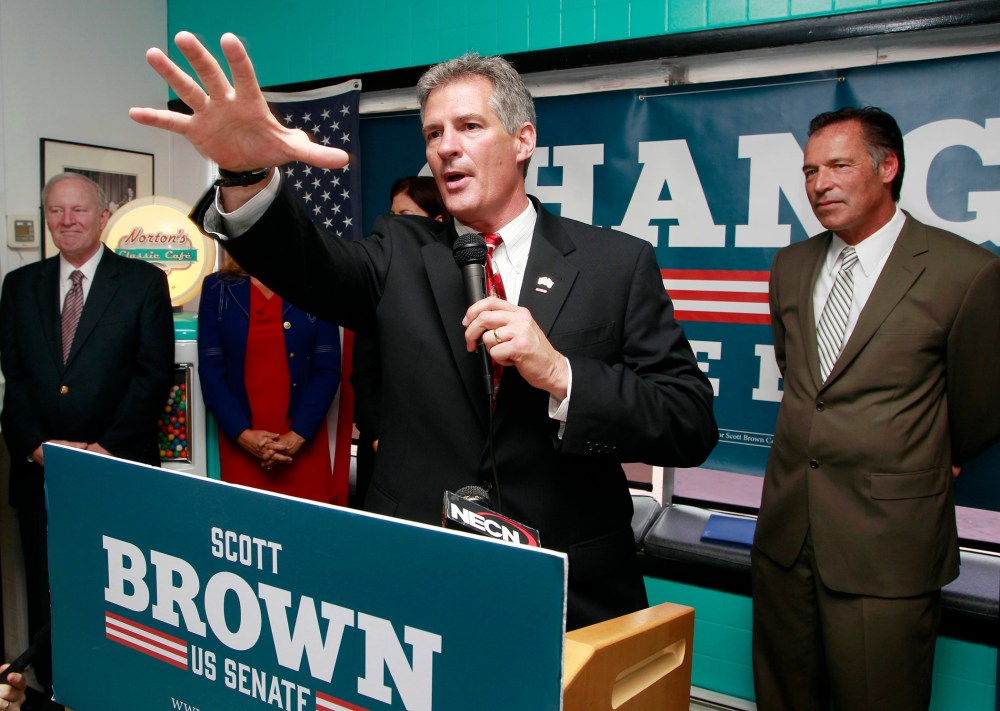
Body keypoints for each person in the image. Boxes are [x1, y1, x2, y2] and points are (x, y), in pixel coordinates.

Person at [131, 32, 718, 630]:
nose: (446, 149)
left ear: (523, 141)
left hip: (571, 590)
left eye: (468, 127)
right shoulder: (399, 252)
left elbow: (689, 423)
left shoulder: (615, 264)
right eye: (434, 134)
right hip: (420, 580)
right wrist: (244, 169)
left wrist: (564, 376)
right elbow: (305, 263)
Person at [753, 106, 1000, 710]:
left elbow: (980, 407)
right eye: (810, 171)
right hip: (788, 537)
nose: (820, 185)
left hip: (888, 545)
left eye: (838, 166)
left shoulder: (965, 273)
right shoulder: (791, 265)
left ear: (888, 167)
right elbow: (805, 377)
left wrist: (932, 452)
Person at [0, 172, 175, 704]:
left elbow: (153, 377)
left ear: (103, 217)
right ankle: (53, 685)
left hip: (117, 470)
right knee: (49, 589)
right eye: (56, 211)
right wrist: (38, 448)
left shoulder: (143, 283)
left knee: (120, 589)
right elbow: (17, 379)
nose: (67, 221)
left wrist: (105, 452)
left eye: (78, 210)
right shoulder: (19, 285)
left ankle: (119, 686)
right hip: (41, 475)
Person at [198, 248, 343, 503]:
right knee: (244, 529)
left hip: (302, 443)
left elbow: (328, 370)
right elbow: (211, 372)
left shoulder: (316, 284)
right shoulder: (216, 288)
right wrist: (243, 435)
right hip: (240, 445)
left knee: (307, 532)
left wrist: (296, 436)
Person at [351, 176, 448, 507]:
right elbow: (364, 372)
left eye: (404, 215)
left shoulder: (466, 276)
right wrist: (378, 436)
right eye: (391, 215)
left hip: (444, 455)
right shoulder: (380, 279)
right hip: (385, 453)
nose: (393, 225)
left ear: (438, 221)